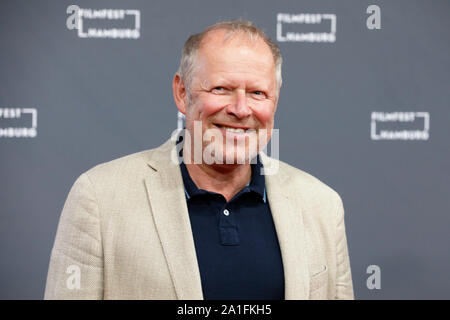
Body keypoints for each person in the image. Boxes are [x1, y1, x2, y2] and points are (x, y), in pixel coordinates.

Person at [44, 20, 354, 300]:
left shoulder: (322, 205)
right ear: (182, 93)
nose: (241, 109)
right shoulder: (100, 198)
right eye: (221, 88)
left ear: (275, 101)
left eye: (258, 93)